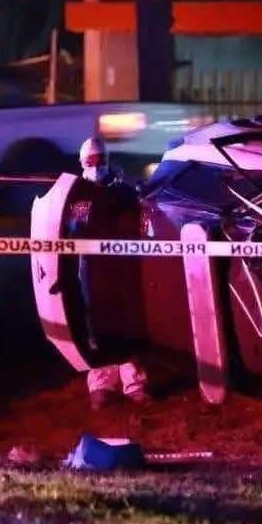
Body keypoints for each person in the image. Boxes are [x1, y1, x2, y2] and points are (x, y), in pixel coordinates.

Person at [73, 137, 149, 410]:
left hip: (121, 265)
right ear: (82, 163)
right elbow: (74, 228)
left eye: (100, 161)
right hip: (91, 267)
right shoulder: (77, 193)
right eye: (90, 162)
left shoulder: (124, 191)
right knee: (96, 322)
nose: (95, 167)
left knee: (128, 319)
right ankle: (101, 384)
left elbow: (137, 221)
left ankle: (133, 382)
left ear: (107, 160)